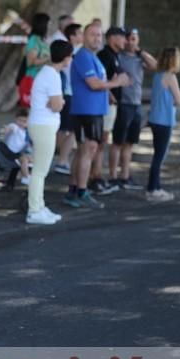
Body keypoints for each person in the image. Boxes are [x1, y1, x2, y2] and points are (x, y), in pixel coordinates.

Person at [63, 23, 129, 209]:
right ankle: (81, 191)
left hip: (95, 111)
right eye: (93, 35)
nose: (97, 38)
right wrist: (116, 82)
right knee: (88, 150)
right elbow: (93, 84)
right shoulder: (83, 56)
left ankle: (75, 189)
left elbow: (99, 83)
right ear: (84, 36)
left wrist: (108, 89)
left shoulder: (93, 58)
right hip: (86, 111)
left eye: (99, 35)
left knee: (85, 150)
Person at [26, 40, 73, 225]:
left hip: (42, 125)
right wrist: (59, 103)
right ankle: (34, 210)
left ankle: (39, 205)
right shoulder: (52, 75)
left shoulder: (47, 73)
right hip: (43, 126)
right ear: (67, 57)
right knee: (40, 171)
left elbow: (54, 103)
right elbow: (56, 105)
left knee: (40, 170)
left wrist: (57, 103)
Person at [110, 28, 156, 189]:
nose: (132, 42)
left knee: (130, 142)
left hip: (136, 104)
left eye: (135, 39)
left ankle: (125, 176)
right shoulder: (120, 57)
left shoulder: (139, 58)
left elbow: (155, 65)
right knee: (117, 142)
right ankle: (113, 176)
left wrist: (140, 51)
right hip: (123, 103)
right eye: (129, 39)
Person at [93, 26, 129, 195]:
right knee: (100, 143)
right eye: (123, 38)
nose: (125, 41)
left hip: (111, 107)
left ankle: (97, 177)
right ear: (113, 38)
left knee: (102, 143)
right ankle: (95, 178)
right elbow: (100, 80)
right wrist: (110, 94)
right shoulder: (105, 55)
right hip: (105, 106)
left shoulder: (114, 55)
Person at [146, 47, 180, 202]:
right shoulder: (170, 77)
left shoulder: (158, 75)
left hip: (155, 119)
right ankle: (152, 189)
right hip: (165, 120)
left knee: (157, 155)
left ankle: (157, 187)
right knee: (159, 157)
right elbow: (179, 100)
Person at [53, 22, 83, 175]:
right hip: (69, 94)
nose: (82, 36)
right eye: (80, 33)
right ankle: (62, 160)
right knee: (70, 130)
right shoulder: (74, 53)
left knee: (64, 129)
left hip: (68, 94)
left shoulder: (73, 52)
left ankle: (59, 157)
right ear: (72, 37)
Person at [18, 13, 51, 107]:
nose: (50, 26)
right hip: (33, 80)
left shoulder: (42, 40)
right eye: (48, 24)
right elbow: (30, 62)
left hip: (43, 80)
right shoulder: (34, 40)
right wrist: (49, 58)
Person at [2, 110, 31, 185]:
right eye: (19, 120)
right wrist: (6, 129)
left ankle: (20, 174)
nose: (21, 123)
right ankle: (26, 177)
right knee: (24, 159)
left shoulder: (26, 132)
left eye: (24, 121)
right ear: (16, 119)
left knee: (29, 158)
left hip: (17, 152)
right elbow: (10, 127)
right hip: (10, 152)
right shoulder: (15, 127)